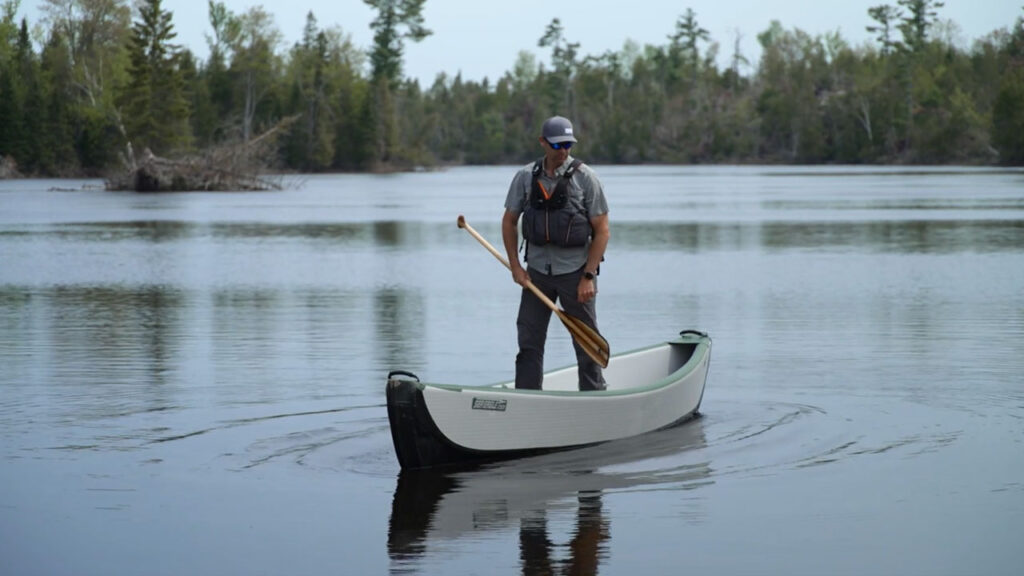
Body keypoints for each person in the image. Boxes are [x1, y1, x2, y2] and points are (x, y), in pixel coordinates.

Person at [501, 115, 610, 391]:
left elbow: (602, 231)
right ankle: (527, 399)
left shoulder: (587, 179)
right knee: (528, 342)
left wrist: (588, 276)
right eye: (557, 144)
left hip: (576, 275)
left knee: (586, 345)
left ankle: (594, 397)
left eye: (568, 145)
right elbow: (509, 221)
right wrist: (516, 266)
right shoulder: (525, 177)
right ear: (543, 143)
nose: (563, 151)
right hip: (536, 274)